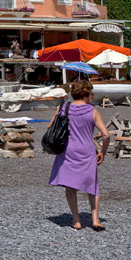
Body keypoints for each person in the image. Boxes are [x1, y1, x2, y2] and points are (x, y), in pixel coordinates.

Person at [48, 79, 111, 231]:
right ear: (87, 94)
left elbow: (50, 127)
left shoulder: (64, 108)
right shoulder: (92, 111)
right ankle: (95, 220)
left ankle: (76, 220)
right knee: (92, 186)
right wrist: (103, 152)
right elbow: (106, 135)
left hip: (67, 150)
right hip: (87, 150)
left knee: (70, 187)